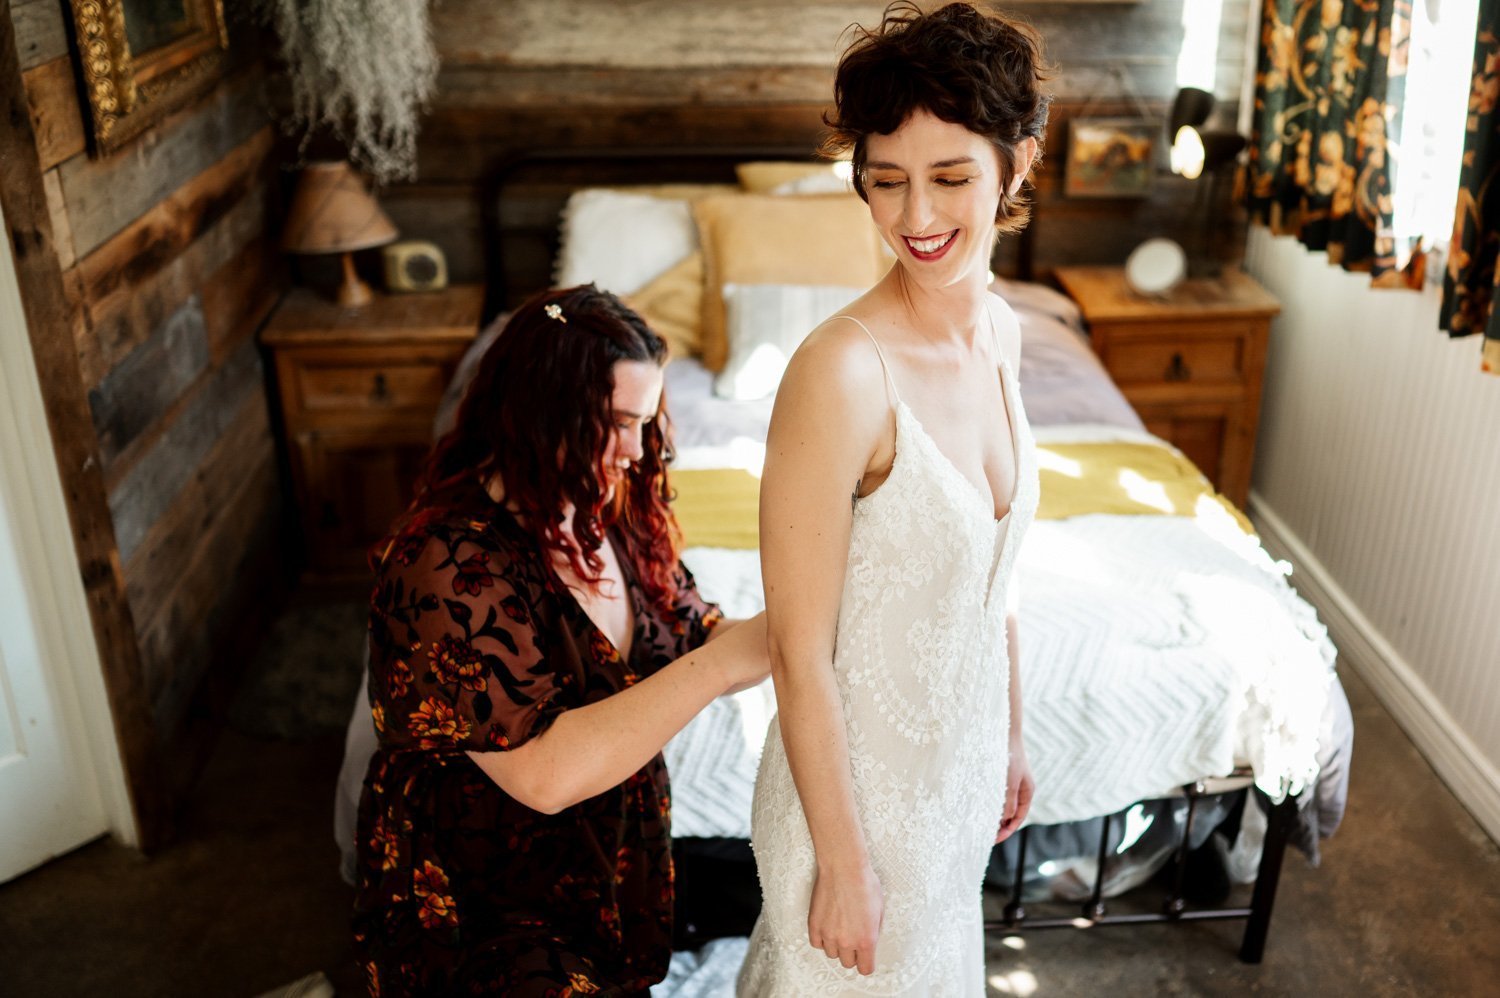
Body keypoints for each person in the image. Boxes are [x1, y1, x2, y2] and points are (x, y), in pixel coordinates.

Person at [737, 4, 1048, 994]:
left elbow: (989, 577)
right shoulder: (840, 373)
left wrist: (1010, 734)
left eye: (951, 178)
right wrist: (841, 863)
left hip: (951, 795)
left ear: (1020, 165)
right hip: (853, 814)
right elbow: (797, 644)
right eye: (885, 182)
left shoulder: (1003, 333)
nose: (917, 218)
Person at [351, 285, 769, 996]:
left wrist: (808, 617)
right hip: (481, 899)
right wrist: (724, 664)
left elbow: (697, 633)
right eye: (612, 423)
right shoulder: (445, 563)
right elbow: (542, 775)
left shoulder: (613, 515)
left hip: (609, 864)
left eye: (644, 421)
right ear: (535, 415)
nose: (636, 451)